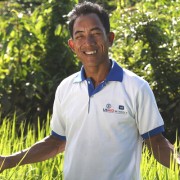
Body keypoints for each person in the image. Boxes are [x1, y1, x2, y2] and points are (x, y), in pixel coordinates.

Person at [0, 1, 179, 179]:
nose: (88, 42)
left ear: (110, 38)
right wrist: (6, 161)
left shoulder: (136, 88)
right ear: (72, 45)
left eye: (95, 33)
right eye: (80, 36)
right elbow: (56, 142)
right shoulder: (65, 88)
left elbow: (156, 143)